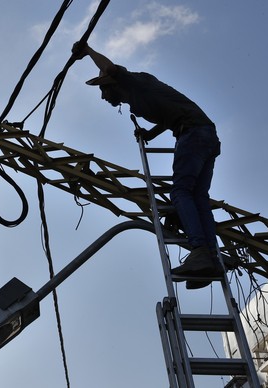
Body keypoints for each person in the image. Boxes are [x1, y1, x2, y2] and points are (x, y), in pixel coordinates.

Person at [72, 42, 223, 289]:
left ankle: (199, 251)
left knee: (180, 192)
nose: (102, 96)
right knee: (198, 197)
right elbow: (167, 117)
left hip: (193, 134)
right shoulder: (140, 96)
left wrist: (87, 50)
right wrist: (150, 135)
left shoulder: (133, 82)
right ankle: (210, 257)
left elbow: (109, 68)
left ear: (112, 84)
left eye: (103, 90)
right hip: (205, 134)